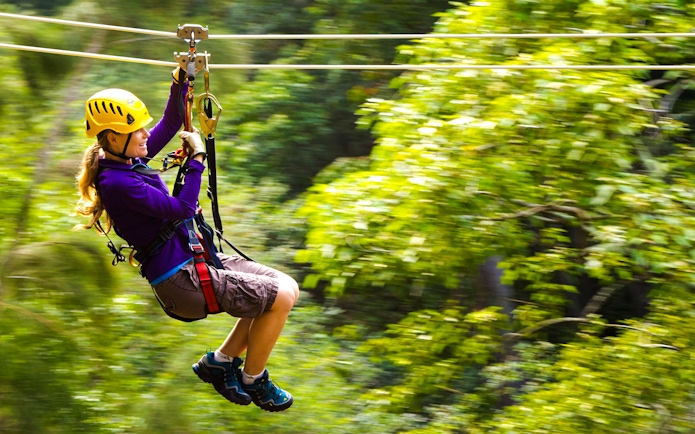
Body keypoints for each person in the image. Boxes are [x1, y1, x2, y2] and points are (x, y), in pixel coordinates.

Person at [74, 70, 300, 412]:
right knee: (279, 298)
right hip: (182, 279)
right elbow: (181, 208)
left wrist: (181, 81)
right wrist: (196, 160)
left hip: (195, 259)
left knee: (286, 287)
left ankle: (221, 362)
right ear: (112, 137)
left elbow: (170, 120)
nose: (146, 135)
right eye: (137, 130)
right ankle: (254, 379)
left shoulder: (128, 160)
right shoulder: (118, 183)